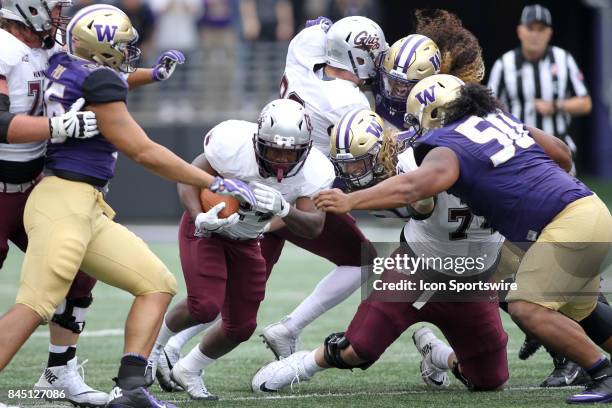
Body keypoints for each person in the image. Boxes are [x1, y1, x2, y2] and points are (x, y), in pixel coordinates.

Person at [0, 5, 254, 408]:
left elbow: (110, 80)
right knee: (36, 305)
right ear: (101, 52)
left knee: (156, 283)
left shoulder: (64, 61)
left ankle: (130, 388)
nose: (129, 52)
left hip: (82, 203)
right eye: (121, 47)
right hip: (63, 202)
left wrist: (151, 75)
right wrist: (212, 180)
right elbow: (143, 150)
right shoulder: (93, 78)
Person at [312, 74, 612, 404]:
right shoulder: (499, 120)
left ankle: (603, 375)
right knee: (583, 309)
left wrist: (351, 200)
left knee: (527, 308)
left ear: (433, 115)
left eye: (417, 119)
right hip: (590, 208)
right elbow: (562, 153)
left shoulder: (452, 144)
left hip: (562, 223)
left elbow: (414, 187)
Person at [152, 16, 385, 386]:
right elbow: (370, 147)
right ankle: (285, 328)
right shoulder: (350, 102)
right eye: (373, 56)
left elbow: (317, 31)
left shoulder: (303, 45)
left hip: (276, 188)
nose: (378, 64)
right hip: (299, 191)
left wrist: (324, 28)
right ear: (358, 58)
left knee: (235, 299)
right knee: (363, 260)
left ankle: (176, 351)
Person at [251, 107, 509, 392]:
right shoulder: (416, 158)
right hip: (417, 267)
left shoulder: (506, 161)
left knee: (489, 380)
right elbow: (417, 200)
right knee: (359, 349)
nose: (351, 173)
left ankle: (436, 353)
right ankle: (302, 364)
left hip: (472, 279)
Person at [148, 98, 334, 399]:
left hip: (247, 239)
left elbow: (314, 226)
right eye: (273, 149)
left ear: (305, 149)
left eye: (290, 152)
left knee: (241, 327)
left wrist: (284, 211)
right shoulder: (231, 143)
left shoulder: (315, 170)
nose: (281, 159)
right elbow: (188, 175)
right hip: (207, 230)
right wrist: (199, 217)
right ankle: (151, 350)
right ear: (258, 139)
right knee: (205, 305)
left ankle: (189, 368)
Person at [487, 4, 591, 175]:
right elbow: (489, 109)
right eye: (530, 28)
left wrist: (556, 106)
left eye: (541, 29)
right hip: (517, 151)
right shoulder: (504, 64)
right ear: (520, 31)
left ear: (549, 32)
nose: (535, 35)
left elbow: (585, 103)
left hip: (558, 150)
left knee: (563, 199)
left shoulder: (563, 59)